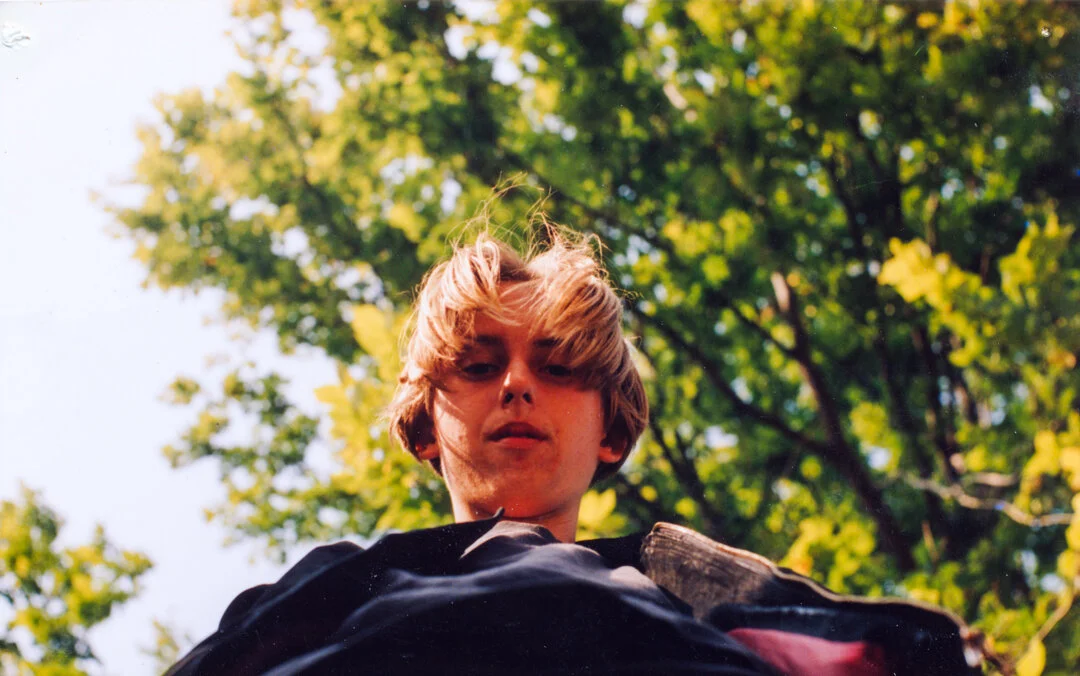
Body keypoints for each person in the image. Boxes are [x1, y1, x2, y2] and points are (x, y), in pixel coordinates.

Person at [166, 226, 985, 675]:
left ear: (613, 429)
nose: (517, 386)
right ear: (424, 424)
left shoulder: (689, 583)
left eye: (558, 368)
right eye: (479, 366)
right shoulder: (337, 582)